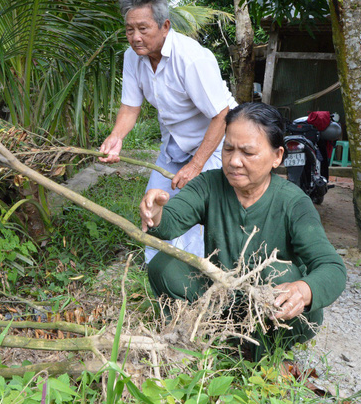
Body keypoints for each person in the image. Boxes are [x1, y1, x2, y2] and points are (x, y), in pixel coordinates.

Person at [140, 102, 346, 359]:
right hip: (220, 297)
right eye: (228, 149)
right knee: (164, 264)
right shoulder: (210, 185)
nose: (234, 161)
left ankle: (268, 353)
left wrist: (304, 290)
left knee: (278, 272)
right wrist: (156, 213)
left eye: (248, 153)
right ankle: (197, 335)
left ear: (277, 156)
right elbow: (171, 221)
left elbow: (332, 267)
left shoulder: (293, 203)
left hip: (274, 308)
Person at [98, 0, 237, 262]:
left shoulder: (191, 58)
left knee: (198, 209)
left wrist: (196, 166)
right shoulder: (132, 57)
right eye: (129, 30)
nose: (135, 37)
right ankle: (157, 269)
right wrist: (116, 137)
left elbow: (221, 114)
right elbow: (130, 106)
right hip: (175, 142)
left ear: (165, 26)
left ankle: (199, 274)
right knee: (153, 204)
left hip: (216, 139)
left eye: (143, 28)